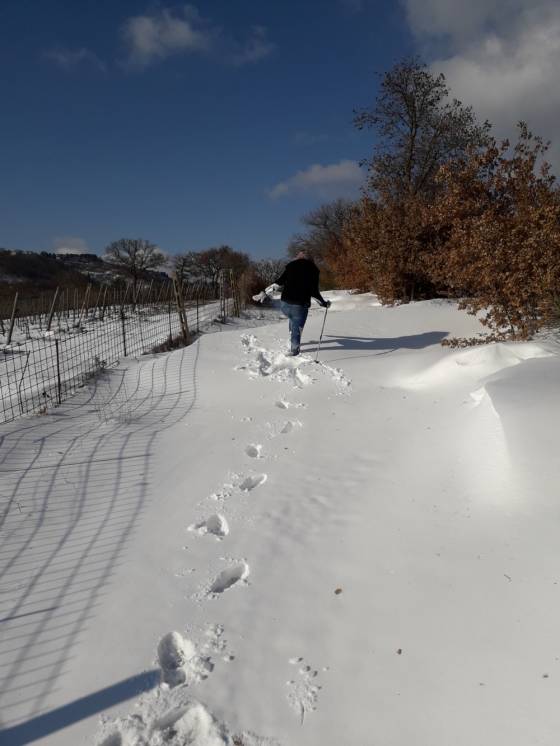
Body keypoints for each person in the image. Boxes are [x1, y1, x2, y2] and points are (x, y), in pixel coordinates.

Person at [256, 251, 330, 356]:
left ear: (298, 258)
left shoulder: (291, 266)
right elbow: (314, 292)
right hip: (299, 305)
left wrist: (265, 292)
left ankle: (292, 332)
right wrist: (324, 304)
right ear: (310, 260)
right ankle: (294, 351)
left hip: (284, 304)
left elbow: (278, 283)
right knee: (297, 328)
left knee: (292, 317)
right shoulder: (313, 270)